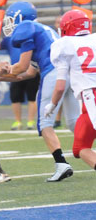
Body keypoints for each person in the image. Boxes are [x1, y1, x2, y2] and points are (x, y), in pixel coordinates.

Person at [0, 1, 80, 182]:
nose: (9, 24)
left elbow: (21, 67)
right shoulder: (42, 30)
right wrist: (1, 77)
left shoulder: (26, 27)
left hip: (54, 72)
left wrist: (0, 71)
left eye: (11, 19)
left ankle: (61, 164)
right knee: (75, 121)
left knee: (44, 123)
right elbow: (29, 73)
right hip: (70, 73)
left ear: (21, 18)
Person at [46, 10, 96, 171]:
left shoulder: (65, 45)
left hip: (91, 96)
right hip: (87, 103)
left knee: (82, 147)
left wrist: (52, 105)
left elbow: (60, 86)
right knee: (79, 148)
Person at [0, 36, 39, 130]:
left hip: (31, 69)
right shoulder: (9, 39)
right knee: (15, 98)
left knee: (32, 97)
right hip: (15, 70)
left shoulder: (31, 36)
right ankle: (18, 121)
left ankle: (30, 121)